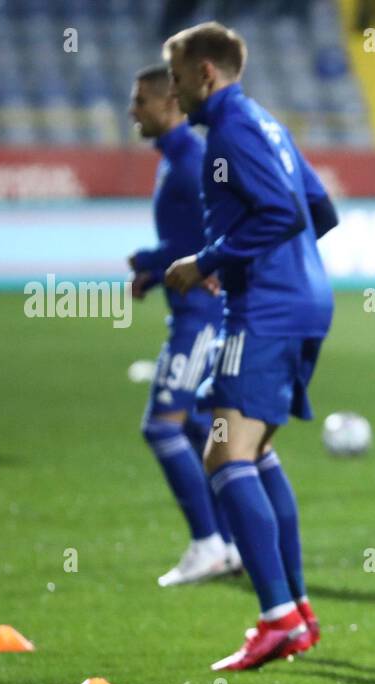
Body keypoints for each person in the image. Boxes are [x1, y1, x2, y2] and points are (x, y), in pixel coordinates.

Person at [161, 21, 339, 671]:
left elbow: (281, 214)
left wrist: (210, 258)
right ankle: (297, 608)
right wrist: (273, 266)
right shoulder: (267, 123)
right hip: (300, 299)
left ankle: (276, 618)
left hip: (264, 310)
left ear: (205, 72)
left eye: (178, 79)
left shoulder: (232, 131)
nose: (174, 94)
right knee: (255, 451)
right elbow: (320, 209)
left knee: (220, 451)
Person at [127, 63, 239, 588]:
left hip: (200, 315)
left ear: (169, 103)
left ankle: (208, 543)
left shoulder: (191, 159)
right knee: (198, 425)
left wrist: (152, 259)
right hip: (191, 307)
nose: (133, 111)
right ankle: (230, 542)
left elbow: (208, 237)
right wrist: (153, 272)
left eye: (140, 101)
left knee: (162, 427)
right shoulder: (177, 157)